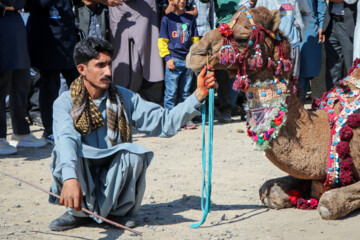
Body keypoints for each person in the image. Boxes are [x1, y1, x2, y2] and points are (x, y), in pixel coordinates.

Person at [48, 37, 215, 231]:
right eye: (100, 65)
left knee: (133, 154)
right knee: (63, 152)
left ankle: (115, 213)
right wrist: (69, 178)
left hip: (112, 170)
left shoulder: (124, 97)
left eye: (110, 64)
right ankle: (76, 213)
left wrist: (198, 95)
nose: (108, 72)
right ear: (82, 70)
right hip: (80, 170)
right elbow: (66, 138)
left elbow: (164, 122)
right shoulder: (64, 103)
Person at [26, 0, 80, 144]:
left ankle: (84, 125)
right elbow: (43, 2)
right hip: (46, 39)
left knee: (78, 84)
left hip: (67, 38)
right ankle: (50, 130)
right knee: (49, 87)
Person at [0, 0, 47, 155]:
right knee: (2, 83)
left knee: (21, 80)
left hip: (15, 21)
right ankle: (0, 137)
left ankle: (21, 132)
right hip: (2, 21)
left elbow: (19, 3)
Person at [238, 0, 313, 80]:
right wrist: (251, 3)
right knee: (269, 84)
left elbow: (307, 12)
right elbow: (243, 8)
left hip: (291, 45)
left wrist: (299, 27)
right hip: (269, 48)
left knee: (291, 81)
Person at [109, 0, 165, 105]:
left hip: (146, 10)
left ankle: (151, 110)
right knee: (122, 63)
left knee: (152, 62)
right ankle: (123, 105)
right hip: (118, 8)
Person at [158, 0, 200, 129]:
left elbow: (195, 40)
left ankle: (185, 119)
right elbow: (162, 41)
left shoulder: (190, 19)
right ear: (171, 1)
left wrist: (193, 57)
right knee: (171, 93)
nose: (182, 1)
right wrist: (167, 58)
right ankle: (169, 120)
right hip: (174, 61)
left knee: (185, 92)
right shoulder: (167, 19)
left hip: (187, 61)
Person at [200, 0, 240, 123]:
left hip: (241, 31)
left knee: (239, 70)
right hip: (222, 31)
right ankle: (225, 108)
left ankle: (238, 104)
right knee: (222, 71)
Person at [321, 0, 357, 91]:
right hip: (332, 22)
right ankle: (332, 100)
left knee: (352, 66)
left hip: (349, 24)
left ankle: (354, 101)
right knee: (332, 69)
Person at [298, 0, 327, 103]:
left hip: (308, 28)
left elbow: (320, 4)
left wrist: (321, 26)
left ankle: (299, 104)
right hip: (285, 27)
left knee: (305, 68)